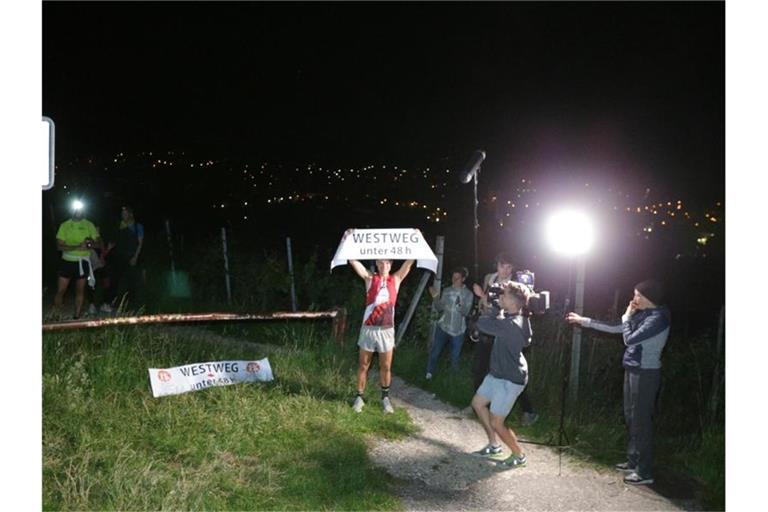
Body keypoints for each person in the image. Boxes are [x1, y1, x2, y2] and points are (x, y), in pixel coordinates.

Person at [566, 280, 670, 486]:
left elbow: (629, 339)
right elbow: (617, 328)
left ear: (649, 298)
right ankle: (633, 462)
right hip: (633, 369)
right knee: (631, 417)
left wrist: (626, 316)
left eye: (638, 295)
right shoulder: (644, 314)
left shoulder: (658, 318)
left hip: (646, 373)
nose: (634, 299)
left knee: (641, 421)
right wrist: (584, 320)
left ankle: (644, 471)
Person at [470, 281, 532, 468]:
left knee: (498, 422)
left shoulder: (511, 324)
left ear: (513, 302)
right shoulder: (520, 317)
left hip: (510, 379)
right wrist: (498, 306)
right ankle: (494, 445)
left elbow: (482, 323)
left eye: (503, 295)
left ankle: (518, 455)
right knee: (478, 404)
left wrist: (494, 306)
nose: (500, 297)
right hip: (498, 373)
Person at [471, 253, 539, 425]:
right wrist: (483, 303)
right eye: (503, 266)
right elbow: (487, 304)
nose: (506, 270)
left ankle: (527, 411)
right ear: (497, 265)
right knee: (480, 368)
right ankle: (480, 405)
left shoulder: (514, 286)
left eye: (509, 267)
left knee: (509, 372)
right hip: (488, 326)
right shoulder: (489, 277)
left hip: (503, 330)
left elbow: (510, 308)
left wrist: (483, 296)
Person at [349, 258, 415, 414]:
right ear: (377, 265)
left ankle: (385, 398)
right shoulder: (371, 279)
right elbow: (354, 263)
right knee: (364, 365)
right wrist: (348, 240)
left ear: (391, 265)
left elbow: (409, 263)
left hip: (386, 330)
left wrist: (417, 237)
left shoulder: (396, 279)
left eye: (386, 263)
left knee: (385, 366)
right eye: (380, 263)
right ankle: (359, 397)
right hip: (369, 329)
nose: (383, 265)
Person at [53, 201, 102, 319]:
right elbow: (59, 246)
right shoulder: (65, 225)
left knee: (80, 290)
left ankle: (76, 316)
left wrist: (90, 244)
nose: (78, 211)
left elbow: (99, 243)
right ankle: (55, 315)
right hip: (67, 261)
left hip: (83, 261)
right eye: (76, 209)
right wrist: (76, 247)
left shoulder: (89, 225)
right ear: (72, 210)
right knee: (61, 290)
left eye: (81, 209)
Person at [425, 266, 474, 379]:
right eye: (453, 277)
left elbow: (466, 312)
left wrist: (460, 305)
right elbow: (439, 308)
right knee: (435, 351)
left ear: (463, 279)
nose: (455, 280)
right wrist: (435, 297)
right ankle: (429, 373)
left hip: (458, 331)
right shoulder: (447, 290)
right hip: (443, 327)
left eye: (458, 278)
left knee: (455, 357)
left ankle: (453, 380)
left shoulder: (468, 294)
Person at [112, 205, 145, 309]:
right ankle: (120, 306)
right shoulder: (120, 226)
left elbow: (140, 243)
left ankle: (137, 307)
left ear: (131, 214)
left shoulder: (137, 226)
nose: (123, 216)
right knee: (121, 282)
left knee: (135, 283)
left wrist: (135, 257)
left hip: (133, 257)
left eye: (125, 214)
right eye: (122, 214)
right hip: (121, 259)